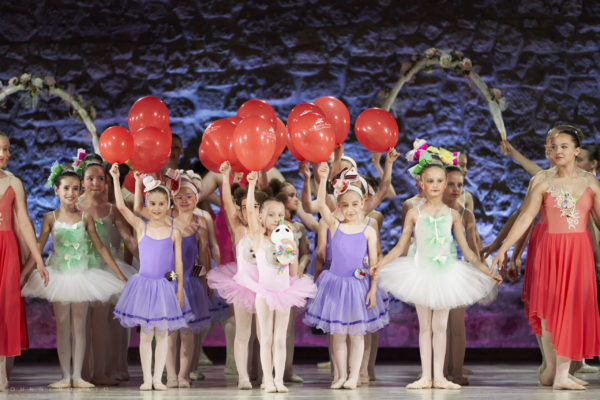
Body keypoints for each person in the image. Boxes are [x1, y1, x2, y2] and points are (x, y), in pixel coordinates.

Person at [373, 163, 500, 390]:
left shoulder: (453, 215)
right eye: (429, 180)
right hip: (421, 273)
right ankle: (426, 376)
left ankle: (439, 377)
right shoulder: (414, 213)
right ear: (421, 183)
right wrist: (381, 264)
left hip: (446, 274)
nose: (435, 185)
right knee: (425, 327)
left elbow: (468, 252)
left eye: (440, 180)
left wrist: (487, 271)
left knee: (441, 327)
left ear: (445, 183)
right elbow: (401, 247)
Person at [491, 129, 600, 390]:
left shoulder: (591, 183)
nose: (559, 151)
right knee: (550, 310)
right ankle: (553, 370)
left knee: (572, 309)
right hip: (548, 251)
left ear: (576, 151)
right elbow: (525, 218)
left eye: (565, 146)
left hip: (578, 252)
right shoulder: (543, 182)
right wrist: (504, 249)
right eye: (555, 146)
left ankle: (561, 373)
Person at [21, 165, 127, 389]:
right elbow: (38, 247)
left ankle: (78, 376)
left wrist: (119, 274)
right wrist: (24, 274)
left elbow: (100, 247)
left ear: (80, 191)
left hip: (82, 277)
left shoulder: (86, 217)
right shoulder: (50, 218)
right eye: (66, 188)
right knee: (62, 324)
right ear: (56, 191)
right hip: (59, 277)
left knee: (79, 325)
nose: (71, 193)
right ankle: (64, 375)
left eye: (75, 188)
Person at [303, 162, 388, 390]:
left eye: (355, 204)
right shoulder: (334, 226)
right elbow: (322, 204)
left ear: (363, 203)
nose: (350, 209)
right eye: (345, 205)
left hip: (358, 287)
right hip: (335, 285)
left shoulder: (369, 231)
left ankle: (354, 376)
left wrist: (373, 289)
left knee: (357, 334)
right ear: (339, 206)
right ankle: (339, 375)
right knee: (338, 335)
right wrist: (322, 179)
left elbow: (374, 265)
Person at [109, 164, 190, 391]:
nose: (156, 208)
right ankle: (146, 379)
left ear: (169, 205)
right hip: (144, 286)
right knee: (146, 334)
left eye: (161, 204)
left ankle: (158, 379)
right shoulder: (141, 226)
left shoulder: (174, 231)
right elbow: (122, 207)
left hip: (164, 286)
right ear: (146, 204)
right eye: (152, 204)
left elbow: (178, 264)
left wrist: (178, 289)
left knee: (162, 334)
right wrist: (116, 179)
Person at [245, 171, 316, 393]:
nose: (276, 219)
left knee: (280, 338)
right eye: (271, 215)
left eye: (280, 214)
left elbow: (292, 271)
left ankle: (279, 379)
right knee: (265, 337)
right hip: (265, 293)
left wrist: (291, 252)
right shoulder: (259, 237)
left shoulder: (287, 239)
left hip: (284, 292)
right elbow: (250, 210)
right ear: (261, 218)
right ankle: (267, 379)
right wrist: (251, 186)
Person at [0, 133, 49, 392]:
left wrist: (38, 259)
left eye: (8, 149)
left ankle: (1, 372)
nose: (5, 155)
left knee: (6, 307)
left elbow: (24, 223)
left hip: (7, 248)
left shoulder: (15, 183)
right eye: (1, 149)